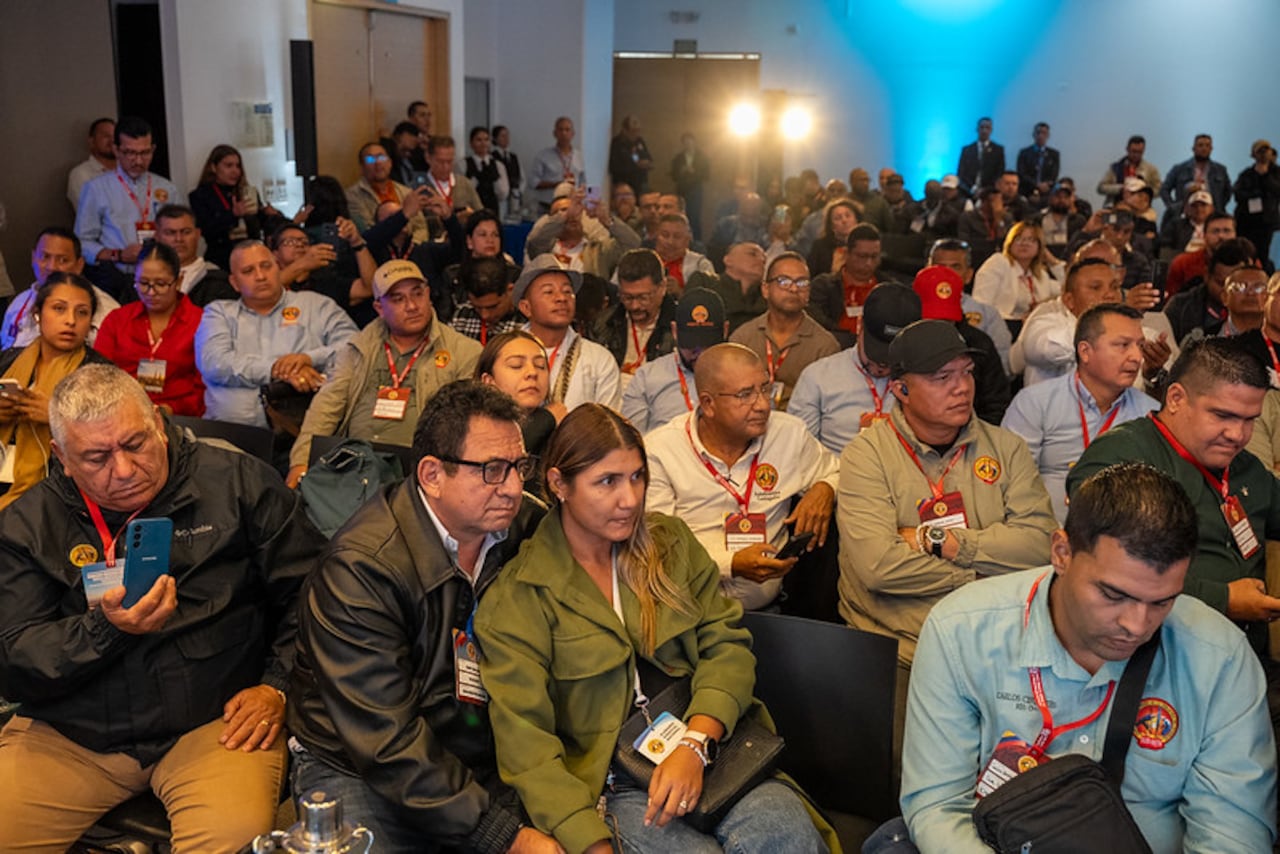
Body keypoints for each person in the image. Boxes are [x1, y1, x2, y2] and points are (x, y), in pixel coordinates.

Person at [478, 406, 832, 854]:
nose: (629, 498)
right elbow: (525, 745)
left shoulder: (668, 544)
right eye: (607, 481)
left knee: (788, 836)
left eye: (637, 477)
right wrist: (589, 841)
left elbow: (727, 647)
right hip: (610, 783)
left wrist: (696, 741)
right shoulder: (520, 596)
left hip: (711, 748)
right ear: (558, 484)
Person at [0, 364, 322, 851]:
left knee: (230, 840)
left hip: (215, 722)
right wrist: (105, 629)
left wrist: (276, 687)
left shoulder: (238, 483)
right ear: (61, 457)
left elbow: (313, 595)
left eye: (135, 444)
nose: (124, 470)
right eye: (97, 457)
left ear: (157, 420)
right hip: (73, 733)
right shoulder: (28, 524)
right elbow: (13, 657)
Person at [896, 463, 1276, 854]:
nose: (1137, 625)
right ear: (1062, 553)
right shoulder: (962, 630)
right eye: (1113, 595)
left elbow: (1232, 834)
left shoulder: (1220, 658)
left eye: (1163, 601)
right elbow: (939, 806)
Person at [286, 381, 554, 853]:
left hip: (474, 748)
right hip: (358, 761)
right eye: (492, 470)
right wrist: (502, 835)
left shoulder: (525, 529)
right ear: (431, 474)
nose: (512, 487)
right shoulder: (362, 567)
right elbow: (386, 741)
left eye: (519, 466)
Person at [837, 318, 1056, 766]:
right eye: (942, 378)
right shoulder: (868, 455)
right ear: (900, 390)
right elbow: (878, 568)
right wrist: (988, 572)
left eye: (967, 373)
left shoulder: (1006, 449)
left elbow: (1039, 547)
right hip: (901, 651)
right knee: (908, 782)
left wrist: (944, 544)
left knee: (1008, 778)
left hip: (995, 647)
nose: (962, 388)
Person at [1068, 337, 1280, 657]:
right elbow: (1105, 569)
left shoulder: (1245, 467)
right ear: (1177, 398)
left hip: (1241, 659)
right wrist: (1224, 599)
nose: (1238, 435)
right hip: (1151, 660)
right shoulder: (1121, 457)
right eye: (1223, 416)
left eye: (1249, 420)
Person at [645, 343, 839, 611]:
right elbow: (660, 546)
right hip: (687, 612)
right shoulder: (661, 451)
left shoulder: (789, 435)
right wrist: (731, 564)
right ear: (708, 404)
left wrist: (824, 488)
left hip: (773, 613)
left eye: (765, 389)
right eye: (745, 394)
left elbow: (837, 470)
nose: (762, 404)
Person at [287, 259, 480, 485]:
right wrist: (301, 461)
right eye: (398, 299)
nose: (412, 306)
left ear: (428, 294)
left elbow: (465, 427)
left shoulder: (464, 352)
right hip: (354, 464)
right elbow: (326, 407)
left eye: (417, 294)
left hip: (421, 470)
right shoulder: (357, 348)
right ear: (379, 308)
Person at [1002, 304, 1157, 522]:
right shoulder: (1035, 403)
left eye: (1140, 346)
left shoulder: (1150, 413)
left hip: (1124, 538)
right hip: (1046, 536)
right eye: (1123, 345)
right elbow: (1013, 485)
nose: (1136, 357)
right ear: (1085, 351)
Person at [196, 240, 357, 428]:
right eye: (248, 271)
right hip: (231, 433)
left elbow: (354, 349)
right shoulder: (219, 312)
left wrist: (309, 359)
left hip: (304, 431)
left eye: (266, 266)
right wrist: (276, 369)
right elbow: (215, 363)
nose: (260, 276)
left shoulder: (317, 305)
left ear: (278, 268)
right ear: (234, 282)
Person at [0, 273, 112, 510]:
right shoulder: (8, 359)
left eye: (82, 312)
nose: (70, 320)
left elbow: (112, 438)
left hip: (57, 488)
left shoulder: (101, 374)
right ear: (37, 314)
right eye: (59, 309)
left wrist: (57, 418)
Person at [789, 283, 921, 455]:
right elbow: (799, 452)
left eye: (891, 359)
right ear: (859, 326)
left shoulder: (925, 380)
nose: (882, 366)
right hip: (835, 475)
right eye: (875, 353)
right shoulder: (818, 377)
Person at [94, 241, 205, 416]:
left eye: (160, 284)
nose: (151, 293)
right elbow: (98, 376)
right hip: (122, 415)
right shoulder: (117, 320)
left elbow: (204, 388)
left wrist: (170, 410)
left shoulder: (200, 321)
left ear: (179, 281)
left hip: (181, 418)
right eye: (143, 283)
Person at [74, 116, 180, 298]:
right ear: (116, 150)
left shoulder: (167, 188)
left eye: (145, 153)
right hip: (117, 278)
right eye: (130, 153)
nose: (138, 161)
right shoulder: (96, 188)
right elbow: (81, 242)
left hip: (160, 278)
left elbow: (183, 231)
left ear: (153, 149)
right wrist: (118, 254)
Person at [729, 252, 840, 411]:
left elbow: (828, 406)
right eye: (784, 281)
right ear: (765, 289)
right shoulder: (742, 339)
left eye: (802, 283)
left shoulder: (824, 346)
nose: (794, 288)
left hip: (802, 427)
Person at [516, 255, 621, 411]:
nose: (561, 298)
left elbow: (608, 427)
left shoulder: (599, 360)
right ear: (526, 307)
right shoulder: (504, 354)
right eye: (548, 291)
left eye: (567, 291)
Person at [621, 287, 726, 434]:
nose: (700, 353)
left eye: (707, 344)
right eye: (691, 345)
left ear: (725, 331)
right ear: (675, 331)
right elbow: (632, 441)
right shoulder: (647, 378)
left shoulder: (744, 376)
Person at [1009, 257, 1124, 385]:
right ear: (1069, 300)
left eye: (1115, 287)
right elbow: (1037, 349)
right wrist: (1104, 330)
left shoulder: (1132, 329)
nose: (1110, 295)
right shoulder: (1046, 322)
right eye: (1096, 287)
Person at [2, 227, 118, 349]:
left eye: (63, 260)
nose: (51, 267)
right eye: (45, 257)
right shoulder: (19, 303)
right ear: (33, 258)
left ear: (79, 265)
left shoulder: (107, 311)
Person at [928, 238, 1012, 373]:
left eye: (955, 267)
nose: (947, 274)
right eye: (941, 267)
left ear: (969, 275)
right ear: (927, 272)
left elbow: (1003, 367)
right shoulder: (910, 310)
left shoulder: (988, 315)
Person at [590, 248, 675, 383]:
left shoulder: (679, 326)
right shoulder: (604, 323)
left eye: (643, 297)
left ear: (662, 287)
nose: (634, 306)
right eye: (627, 297)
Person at [476, 330, 560, 464]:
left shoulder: (560, 429)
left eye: (540, 366)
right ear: (489, 381)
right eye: (516, 365)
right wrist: (545, 419)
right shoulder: (469, 431)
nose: (532, 372)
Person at [188, 144, 278, 270]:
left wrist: (270, 215)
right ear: (214, 167)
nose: (235, 171)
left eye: (238, 166)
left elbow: (260, 225)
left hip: (252, 254)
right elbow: (206, 229)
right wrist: (232, 215)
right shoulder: (200, 196)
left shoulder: (247, 192)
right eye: (228, 166)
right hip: (221, 259)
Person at [525, 188, 641, 281]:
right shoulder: (545, 249)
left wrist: (607, 220)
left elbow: (633, 244)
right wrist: (564, 217)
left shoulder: (599, 250)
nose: (572, 214)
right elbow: (535, 243)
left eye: (576, 209)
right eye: (562, 210)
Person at [973, 221, 1064, 334]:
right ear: (1010, 243)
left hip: (1030, 333)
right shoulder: (998, 263)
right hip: (999, 330)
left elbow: (1069, 287)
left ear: (1040, 247)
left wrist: (1053, 262)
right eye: (1018, 238)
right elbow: (981, 306)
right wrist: (1017, 323)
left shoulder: (1040, 275)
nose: (1024, 244)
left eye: (1031, 240)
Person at [810, 223, 891, 346]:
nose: (869, 263)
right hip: (834, 350)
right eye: (862, 256)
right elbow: (817, 324)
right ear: (846, 254)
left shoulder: (889, 288)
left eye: (874, 256)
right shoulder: (824, 286)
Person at [1164, 237, 1254, 344]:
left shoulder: (1256, 306)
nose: (1227, 291)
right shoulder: (1181, 307)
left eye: (1236, 286)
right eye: (1221, 283)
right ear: (1207, 276)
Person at [154, 203, 237, 306]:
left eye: (186, 232)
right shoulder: (142, 282)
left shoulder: (219, 281)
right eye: (170, 233)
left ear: (197, 234)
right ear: (156, 237)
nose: (179, 239)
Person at [344, 142, 429, 240]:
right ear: (362, 168)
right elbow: (366, 232)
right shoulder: (352, 196)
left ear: (390, 163)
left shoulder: (406, 192)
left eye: (381, 158)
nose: (378, 163)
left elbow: (421, 227)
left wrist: (409, 248)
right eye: (370, 159)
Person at [688, 241, 767, 334]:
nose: (761, 260)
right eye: (752, 254)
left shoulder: (768, 295)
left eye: (764, 258)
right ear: (728, 260)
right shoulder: (705, 282)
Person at [450, 255, 524, 345]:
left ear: (510, 290)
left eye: (492, 307)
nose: (484, 315)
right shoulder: (462, 314)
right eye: (477, 307)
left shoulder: (529, 321)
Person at [1161, 134, 1232, 227]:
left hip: (1213, 216)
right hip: (1186, 217)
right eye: (1200, 145)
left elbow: (1228, 192)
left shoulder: (1220, 170)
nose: (1204, 148)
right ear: (1193, 148)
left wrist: (1219, 206)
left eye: (1207, 145)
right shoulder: (1179, 169)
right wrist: (1173, 207)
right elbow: (1164, 189)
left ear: (1211, 149)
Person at [1165, 211, 1237, 297]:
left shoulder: (1248, 261)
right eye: (1215, 231)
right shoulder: (1182, 263)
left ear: (1235, 234)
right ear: (1204, 235)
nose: (1221, 236)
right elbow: (1170, 300)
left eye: (1226, 231)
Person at [1235, 139, 1280, 263]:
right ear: (1254, 154)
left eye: (1266, 150)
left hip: (1267, 223)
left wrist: (1265, 176)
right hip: (1246, 221)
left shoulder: (1276, 173)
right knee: (1244, 253)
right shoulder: (1246, 174)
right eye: (1260, 151)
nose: (1263, 154)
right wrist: (1253, 194)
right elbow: (1238, 194)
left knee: (1264, 256)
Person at [530, 117, 586, 213]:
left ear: (573, 134)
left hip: (572, 207)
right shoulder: (543, 156)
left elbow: (583, 182)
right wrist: (557, 184)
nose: (564, 133)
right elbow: (533, 182)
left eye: (567, 130)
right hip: (548, 207)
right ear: (555, 133)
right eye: (560, 130)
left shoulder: (579, 156)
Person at [654, 213, 715, 294]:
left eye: (677, 236)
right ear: (656, 236)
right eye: (665, 235)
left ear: (687, 240)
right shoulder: (644, 261)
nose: (670, 242)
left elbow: (710, 301)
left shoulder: (701, 265)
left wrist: (680, 292)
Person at [1097, 134, 1162, 207]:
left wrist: (1144, 193)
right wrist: (1120, 189)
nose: (1136, 155)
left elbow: (1159, 190)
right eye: (1133, 151)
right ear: (1127, 149)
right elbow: (1101, 187)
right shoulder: (1115, 168)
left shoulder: (1151, 170)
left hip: (1141, 210)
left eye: (1139, 152)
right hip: (1115, 207)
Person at [66, 117, 115, 212]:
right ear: (92, 142)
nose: (112, 140)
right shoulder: (81, 174)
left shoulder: (129, 171)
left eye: (115, 136)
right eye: (106, 136)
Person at [670, 132, 710, 238]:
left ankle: (696, 240)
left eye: (690, 142)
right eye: (685, 142)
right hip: (682, 189)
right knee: (681, 215)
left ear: (694, 142)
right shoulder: (678, 158)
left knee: (695, 216)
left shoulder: (702, 157)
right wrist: (681, 171)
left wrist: (694, 172)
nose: (688, 144)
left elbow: (706, 175)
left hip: (696, 189)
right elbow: (673, 175)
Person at [463, 126, 509, 214]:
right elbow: (462, 193)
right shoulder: (463, 164)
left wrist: (495, 179)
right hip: (471, 211)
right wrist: (475, 178)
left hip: (493, 210)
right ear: (471, 143)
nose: (483, 143)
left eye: (486, 140)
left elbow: (503, 194)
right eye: (479, 140)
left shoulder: (498, 165)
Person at [957, 117, 1006, 195]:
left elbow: (999, 174)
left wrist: (985, 189)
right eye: (982, 127)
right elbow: (961, 173)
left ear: (991, 130)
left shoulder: (998, 150)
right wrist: (972, 188)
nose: (984, 131)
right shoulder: (967, 150)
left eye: (987, 128)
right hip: (968, 190)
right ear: (977, 129)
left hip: (989, 191)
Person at [1015, 121, 1060, 203]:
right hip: (1027, 191)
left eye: (1044, 133)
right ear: (1033, 134)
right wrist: (1036, 184)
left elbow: (1054, 174)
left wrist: (1045, 185)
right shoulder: (1024, 153)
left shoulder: (1054, 154)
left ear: (1048, 135)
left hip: (1046, 192)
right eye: (1038, 132)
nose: (1040, 136)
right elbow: (1021, 173)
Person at [608, 114, 653, 195]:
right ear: (625, 130)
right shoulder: (617, 144)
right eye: (634, 131)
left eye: (638, 130)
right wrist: (636, 165)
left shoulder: (639, 141)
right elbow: (614, 167)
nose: (637, 134)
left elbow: (648, 158)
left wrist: (646, 163)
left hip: (640, 183)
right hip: (624, 184)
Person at [1220, 266, 1269, 337]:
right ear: (1224, 297)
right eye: (1240, 287)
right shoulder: (1206, 339)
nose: (1250, 293)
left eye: (1259, 287)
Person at [491, 125, 522, 220]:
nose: (506, 139)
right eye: (502, 136)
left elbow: (521, 176)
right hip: (500, 196)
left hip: (514, 194)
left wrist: (518, 190)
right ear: (495, 139)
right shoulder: (492, 157)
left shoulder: (513, 157)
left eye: (507, 135)